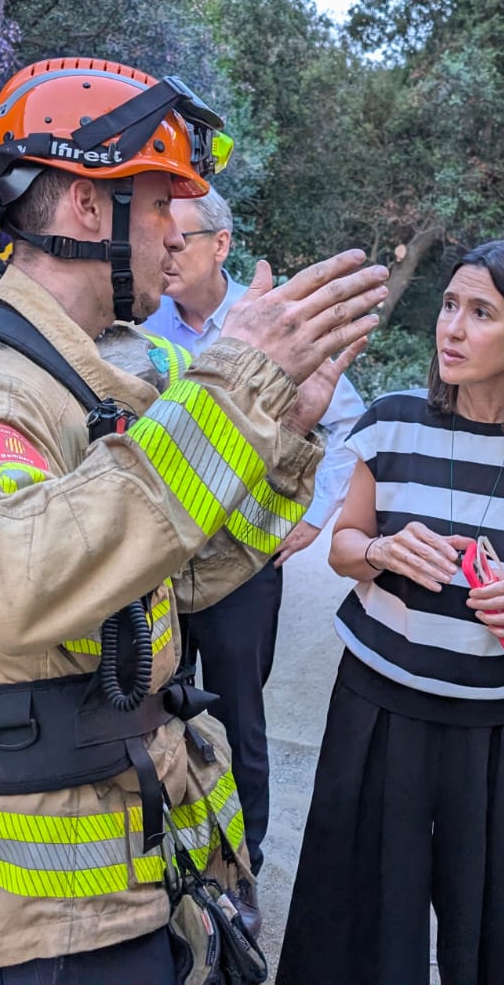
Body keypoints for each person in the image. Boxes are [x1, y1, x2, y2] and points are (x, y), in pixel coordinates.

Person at [0, 57, 387, 981]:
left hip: (128, 875)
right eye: (161, 204)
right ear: (84, 204)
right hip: (40, 925)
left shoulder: (93, 376)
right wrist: (227, 394)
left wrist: (284, 435)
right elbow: (19, 582)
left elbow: (178, 574)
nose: (177, 235)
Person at [277, 239, 504, 985]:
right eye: (447, 307)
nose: (451, 330)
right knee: (357, 918)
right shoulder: (392, 421)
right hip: (379, 709)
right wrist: (382, 552)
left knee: (498, 924)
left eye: (480, 313)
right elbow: (342, 547)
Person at [137, 184, 366, 894]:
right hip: (155, 559)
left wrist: (316, 511)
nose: (166, 256)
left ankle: (243, 871)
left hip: (242, 565)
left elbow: (347, 423)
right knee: (153, 709)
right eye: (160, 241)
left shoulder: (270, 323)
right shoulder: (141, 325)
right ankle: (166, 860)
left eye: (180, 242)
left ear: (222, 244)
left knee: (238, 716)